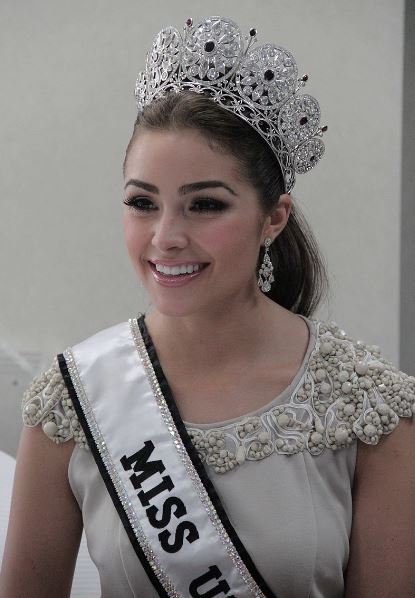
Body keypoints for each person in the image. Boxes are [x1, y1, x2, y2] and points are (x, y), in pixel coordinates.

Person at [1, 15, 415, 598]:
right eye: (143, 202)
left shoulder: (373, 409)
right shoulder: (71, 401)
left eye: (205, 206)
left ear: (274, 218)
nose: (165, 236)